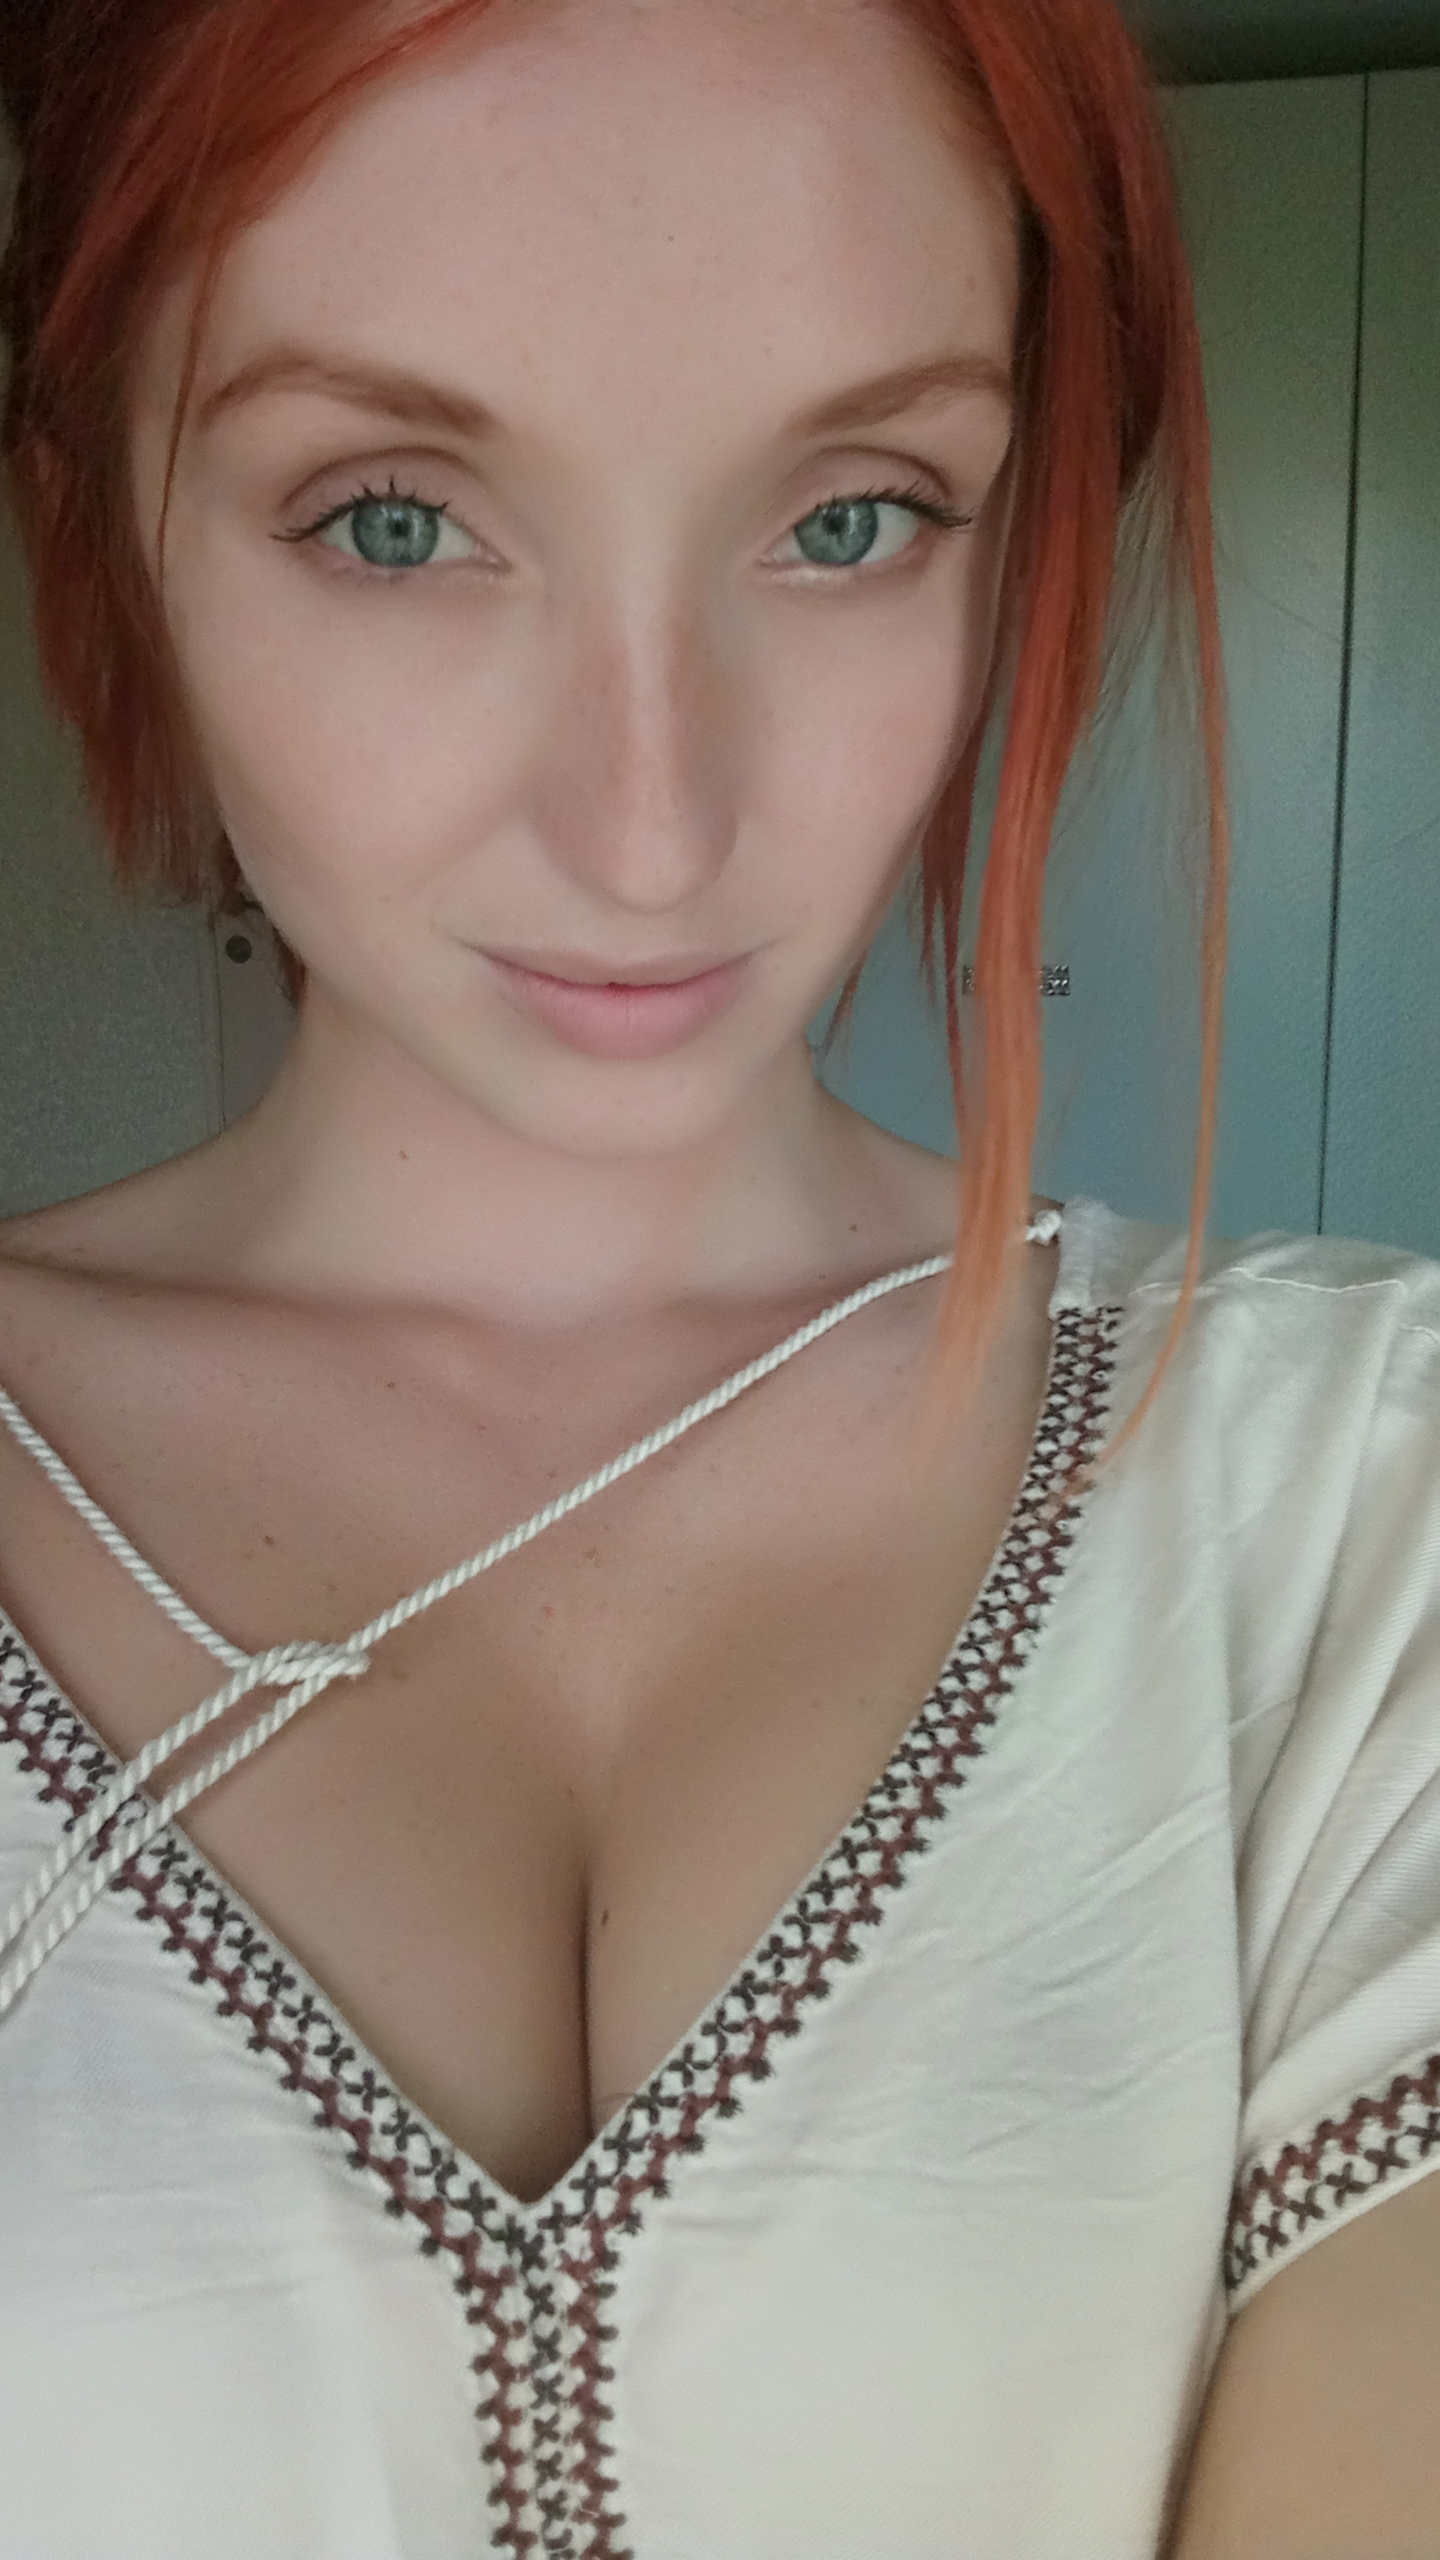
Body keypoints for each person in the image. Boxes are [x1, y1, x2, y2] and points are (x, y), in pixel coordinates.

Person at [0, 0, 1437, 2552]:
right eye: (395, 519)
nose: (652, 825)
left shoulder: (1357, 1510)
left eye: (855, 516)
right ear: (99, 508)